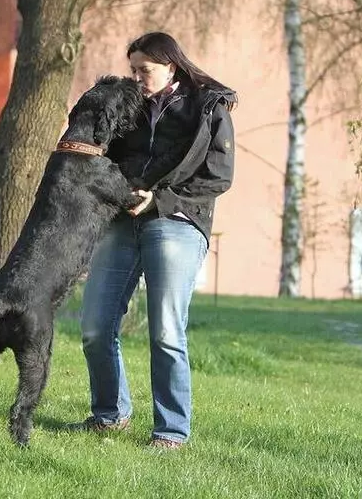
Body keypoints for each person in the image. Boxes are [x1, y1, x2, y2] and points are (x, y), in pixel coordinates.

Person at [69, 31, 237, 449]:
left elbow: (218, 178)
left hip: (178, 219)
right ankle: (109, 416)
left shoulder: (207, 107)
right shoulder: (128, 105)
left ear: (171, 66)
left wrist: (159, 200)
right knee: (93, 325)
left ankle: (171, 431)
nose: (138, 78)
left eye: (145, 69)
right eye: (133, 70)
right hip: (123, 219)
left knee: (165, 329)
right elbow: (104, 155)